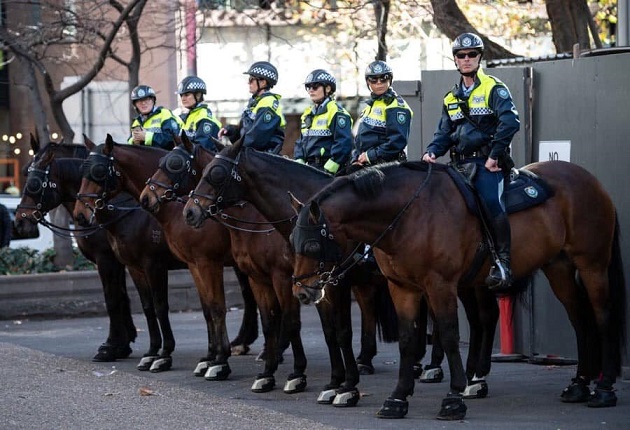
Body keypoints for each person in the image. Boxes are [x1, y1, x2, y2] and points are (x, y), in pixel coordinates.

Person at [422, 32, 520, 293]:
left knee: (490, 202)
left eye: (471, 54)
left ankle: (502, 263)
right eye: (461, 55)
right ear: (455, 60)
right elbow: (444, 132)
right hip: (458, 165)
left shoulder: (494, 88)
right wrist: (432, 151)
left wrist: (495, 156)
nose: (466, 59)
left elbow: (510, 123)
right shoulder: (450, 97)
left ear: (479, 57)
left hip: (488, 163)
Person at [352, 60, 413, 167]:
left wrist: (370, 156)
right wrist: (356, 158)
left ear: (390, 80)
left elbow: (396, 142)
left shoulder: (396, 106)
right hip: (366, 165)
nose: (379, 82)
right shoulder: (370, 105)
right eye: (374, 79)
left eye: (383, 78)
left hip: (387, 166)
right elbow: (359, 139)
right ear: (368, 82)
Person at [293, 69, 353, 175]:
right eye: (308, 87)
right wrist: (299, 159)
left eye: (315, 86)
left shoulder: (336, 112)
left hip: (329, 170)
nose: (311, 90)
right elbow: (301, 141)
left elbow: (344, 142)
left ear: (328, 88)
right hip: (310, 168)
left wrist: (330, 168)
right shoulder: (307, 114)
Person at [218, 61, 286, 154]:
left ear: (262, 82)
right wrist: (229, 130)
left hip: (264, 156)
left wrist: (235, 148)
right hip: (252, 153)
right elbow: (243, 131)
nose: (248, 82)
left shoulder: (268, 102)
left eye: (251, 79)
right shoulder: (255, 102)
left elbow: (257, 137)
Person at [128, 84, 182, 150]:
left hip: (164, 158)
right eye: (139, 101)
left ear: (153, 101)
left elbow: (171, 140)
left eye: (146, 99)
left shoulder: (164, 114)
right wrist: (134, 141)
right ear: (135, 105)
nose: (143, 103)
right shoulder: (137, 122)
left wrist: (147, 137)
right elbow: (129, 143)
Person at [177, 76, 223, 152]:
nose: (183, 98)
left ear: (198, 95)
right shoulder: (189, 116)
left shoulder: (204, 117)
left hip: (204, 162)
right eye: (181, 95)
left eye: (187, 95)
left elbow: (201, 148)